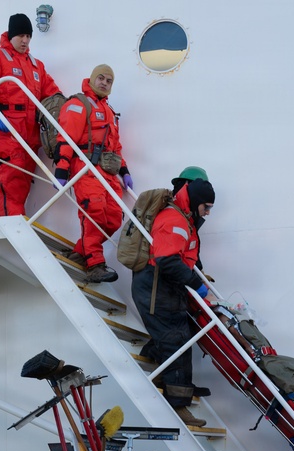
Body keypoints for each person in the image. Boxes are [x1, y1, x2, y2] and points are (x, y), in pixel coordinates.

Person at [131, 179, 216, 427]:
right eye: (206, 207)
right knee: (175, 341)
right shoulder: (175, 219)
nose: (207, 213)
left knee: (181, 334)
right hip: (157, 288)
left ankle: (170, 377)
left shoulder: (183, 219)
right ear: (195, 202)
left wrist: (196, 275)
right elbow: (167, 260)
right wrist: (195, 283)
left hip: (165, 289)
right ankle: (178, 405)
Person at [0, 13, 61, 216]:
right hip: (4, 132)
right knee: (11, 178)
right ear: (11, 35)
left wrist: (67, 107)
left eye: (28, 36)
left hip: (30, 135)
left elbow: (52, 94)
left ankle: (14, 220)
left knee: (22, 183)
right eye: (21, 35)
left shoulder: (36, 65)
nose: (25, 40)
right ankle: (8, 224)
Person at [53, 64, 133, 283]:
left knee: (115, 218)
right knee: (94, 214)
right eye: (101, 78)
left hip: (108, 172)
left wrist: (124, 171)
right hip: (86, 169)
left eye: (109, 81)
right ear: (91, 78)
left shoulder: (109, 111)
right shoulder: (78, 105)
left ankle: (81, 251)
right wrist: (61, 169)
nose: (104, 83)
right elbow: (66, 138)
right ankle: (95, 264)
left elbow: (115, 147)